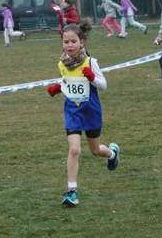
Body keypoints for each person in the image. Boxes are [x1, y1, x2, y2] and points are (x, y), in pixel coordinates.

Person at [47, 22, 120, 207]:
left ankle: (112, 154)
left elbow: (103, 86)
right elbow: (69, 85)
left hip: (91, 111)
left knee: (96, 151)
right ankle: (72, 192)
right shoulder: (62, 64)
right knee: (75, 149)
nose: (69, 45)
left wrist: (92, 77)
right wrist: (58, 88)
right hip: (72, 111)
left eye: (73, 41)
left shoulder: (90, 62)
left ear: (82, 43)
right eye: (66, 42)